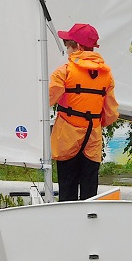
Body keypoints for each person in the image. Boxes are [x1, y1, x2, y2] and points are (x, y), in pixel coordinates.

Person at [49, 23, 119, 201]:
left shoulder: (64, 71)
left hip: (67, 138)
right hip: (92, 140)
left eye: (68, 47)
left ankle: (68, 224)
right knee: (89, 192)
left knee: (67, 190)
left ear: (78, 47)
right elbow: (110, 113)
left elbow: (46, 101)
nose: (67, 52)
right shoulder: (106, 75)